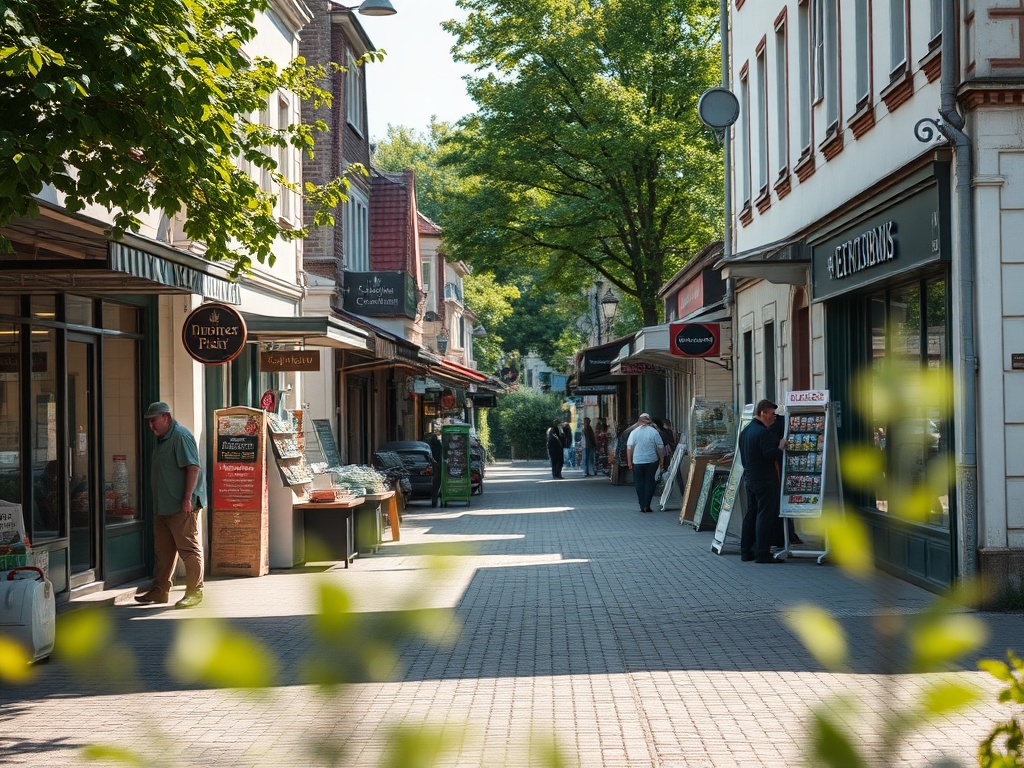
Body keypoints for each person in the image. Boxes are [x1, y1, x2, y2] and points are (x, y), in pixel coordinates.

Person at [135, 402, 207, 608]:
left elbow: (193, 468)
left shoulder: (180, 436)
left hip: (181, 507)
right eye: (149, 422)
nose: (151, 426)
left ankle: (195, 592)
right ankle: (160, 590)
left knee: (189, 549)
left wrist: (187, 498)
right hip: (163, 507)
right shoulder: (162, 439)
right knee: (163, 552)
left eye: (153, 420)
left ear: (166, 417)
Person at [739, 399, 787, 564]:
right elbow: (770, 454)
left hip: (750, 478)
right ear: (763, 413)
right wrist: (780, 447)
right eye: (772, 414)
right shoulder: (762, 432)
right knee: (764, 515)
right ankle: (762, 553)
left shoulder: (745, 431)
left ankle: (746, 550)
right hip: (765, 479)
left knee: (751, 513)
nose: (774, 418)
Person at [626, 413, 665, 513]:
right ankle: (647, 504)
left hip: (637, 461)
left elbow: (629, 448)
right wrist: (661, 461)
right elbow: (660, 447)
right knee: (650, 482)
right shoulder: (654, 432)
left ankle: (642, 504)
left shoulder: (634, 432)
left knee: (639, 483)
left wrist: (629, 461)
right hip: (652, 461)